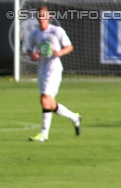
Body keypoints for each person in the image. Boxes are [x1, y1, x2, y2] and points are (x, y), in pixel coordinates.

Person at [26, 6, 81, 142]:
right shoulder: (34, 34)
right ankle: (75, 117)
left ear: (48, 17)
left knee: (44, 99)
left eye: (43, 16)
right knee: (50, 104)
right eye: (39, 17)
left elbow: (69, 46)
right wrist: (33, 55)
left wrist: (59, 52)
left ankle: (44, 134)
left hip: (54, 69)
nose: (41, 19)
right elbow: (28, 50)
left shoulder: (56, 31)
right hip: (42, 70)